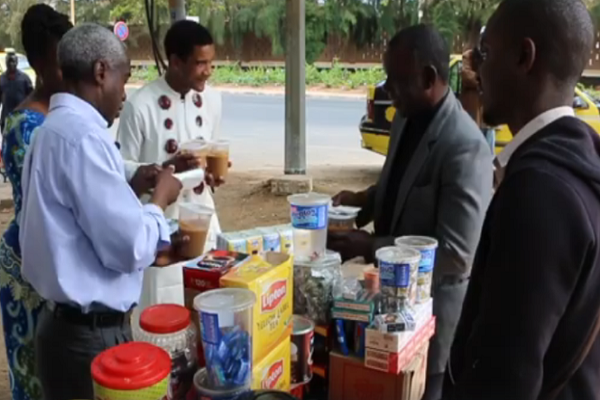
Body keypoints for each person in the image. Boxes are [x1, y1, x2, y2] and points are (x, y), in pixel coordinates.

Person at [443, 0, 600, 399]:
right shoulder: (581, 159)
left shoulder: (540, 192)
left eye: (484, 53)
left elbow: (505, 377)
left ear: (523, 57)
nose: (476, 69)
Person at [329, 25, 493, 400]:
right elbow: (400, 183)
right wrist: (364, 200)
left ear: (429, 78)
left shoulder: (464, 147)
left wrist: (371, 247)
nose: (387, 90)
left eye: (396, 80)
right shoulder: (405, 117)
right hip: (387, 308)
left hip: (431, 321)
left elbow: (455, 254)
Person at [19, 23, 182, 400]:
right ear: (100, 72)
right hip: (90, 337)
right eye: (123, 80)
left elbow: (75, 222)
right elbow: (128, 247)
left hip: (61, 329)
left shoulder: (51, 131)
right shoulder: (83, 139)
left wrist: (133, 182)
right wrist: (159, 200)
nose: (124, 94)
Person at [116, 20, 224, 308]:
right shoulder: (140, 105)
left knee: (206, 304)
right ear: (175, 61)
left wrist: (211, 176)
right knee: (163, 309)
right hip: (160, 227)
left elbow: (210, 153)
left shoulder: (213, 100)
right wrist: (167, 167)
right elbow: (122, 173)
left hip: (204, 220)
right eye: (201, 63)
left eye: (211, 62)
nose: (208, 71)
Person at [0, 6, 71, 400]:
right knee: (36, 376)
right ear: (40, 64)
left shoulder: (63, 113)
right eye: (62, 63)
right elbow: (49, 208)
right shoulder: (27, 126)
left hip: (51, 261)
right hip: (29, 267)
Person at [0, 53, 34, 131]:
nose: (12, 64)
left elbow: (32, 97)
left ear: (17, 62)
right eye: (9, 61)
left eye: (14, 61)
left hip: (21, 117)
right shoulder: (1, 79)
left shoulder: (24, 79)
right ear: (6, 63)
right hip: (6, 118)